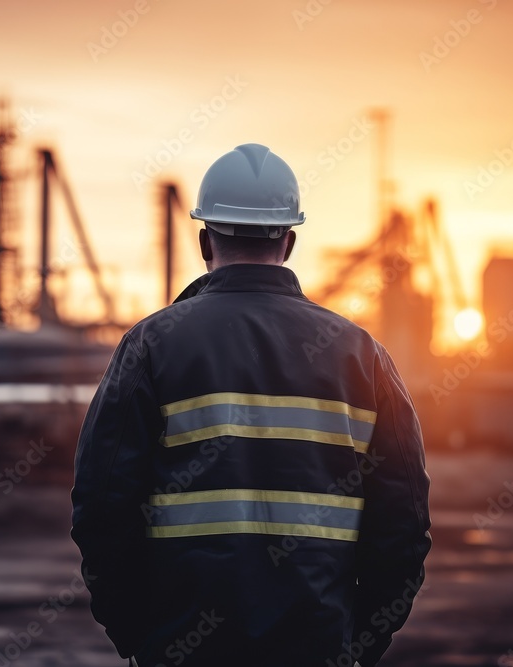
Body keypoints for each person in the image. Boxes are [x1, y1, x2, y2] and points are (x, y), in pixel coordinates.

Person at [70, 143, 431, 667]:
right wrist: (359, 639)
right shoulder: (362, 355)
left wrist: (140, 635)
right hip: (317, 646)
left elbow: (101, 508)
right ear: (289, 241)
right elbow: (403, 524)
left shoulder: (151, 346)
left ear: (203, 241)